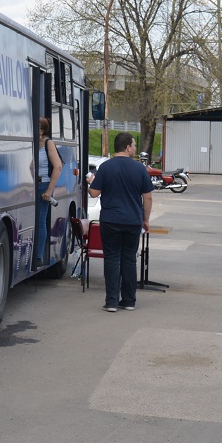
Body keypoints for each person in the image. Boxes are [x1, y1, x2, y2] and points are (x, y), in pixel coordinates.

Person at [88, 131, 152, 312]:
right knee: (129, 259)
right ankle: (129, 301)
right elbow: (147, 198)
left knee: (112, 259)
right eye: (133, 145)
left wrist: (90, 182)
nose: (135, 148)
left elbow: (94, 193)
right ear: (127, 147)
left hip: (110, 221)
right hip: (133, 221)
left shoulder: (106, 168)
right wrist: (145, 220)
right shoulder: (140, 169)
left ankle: (111, 302)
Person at [34, 117, 63, 264]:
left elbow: (58, 167)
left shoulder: (48, 143)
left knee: (40, 220)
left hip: (43, 184)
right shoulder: (32, 143)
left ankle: (38, 256)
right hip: (31, 184)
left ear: (42, 131)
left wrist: (49, 191)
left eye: (38, 128)